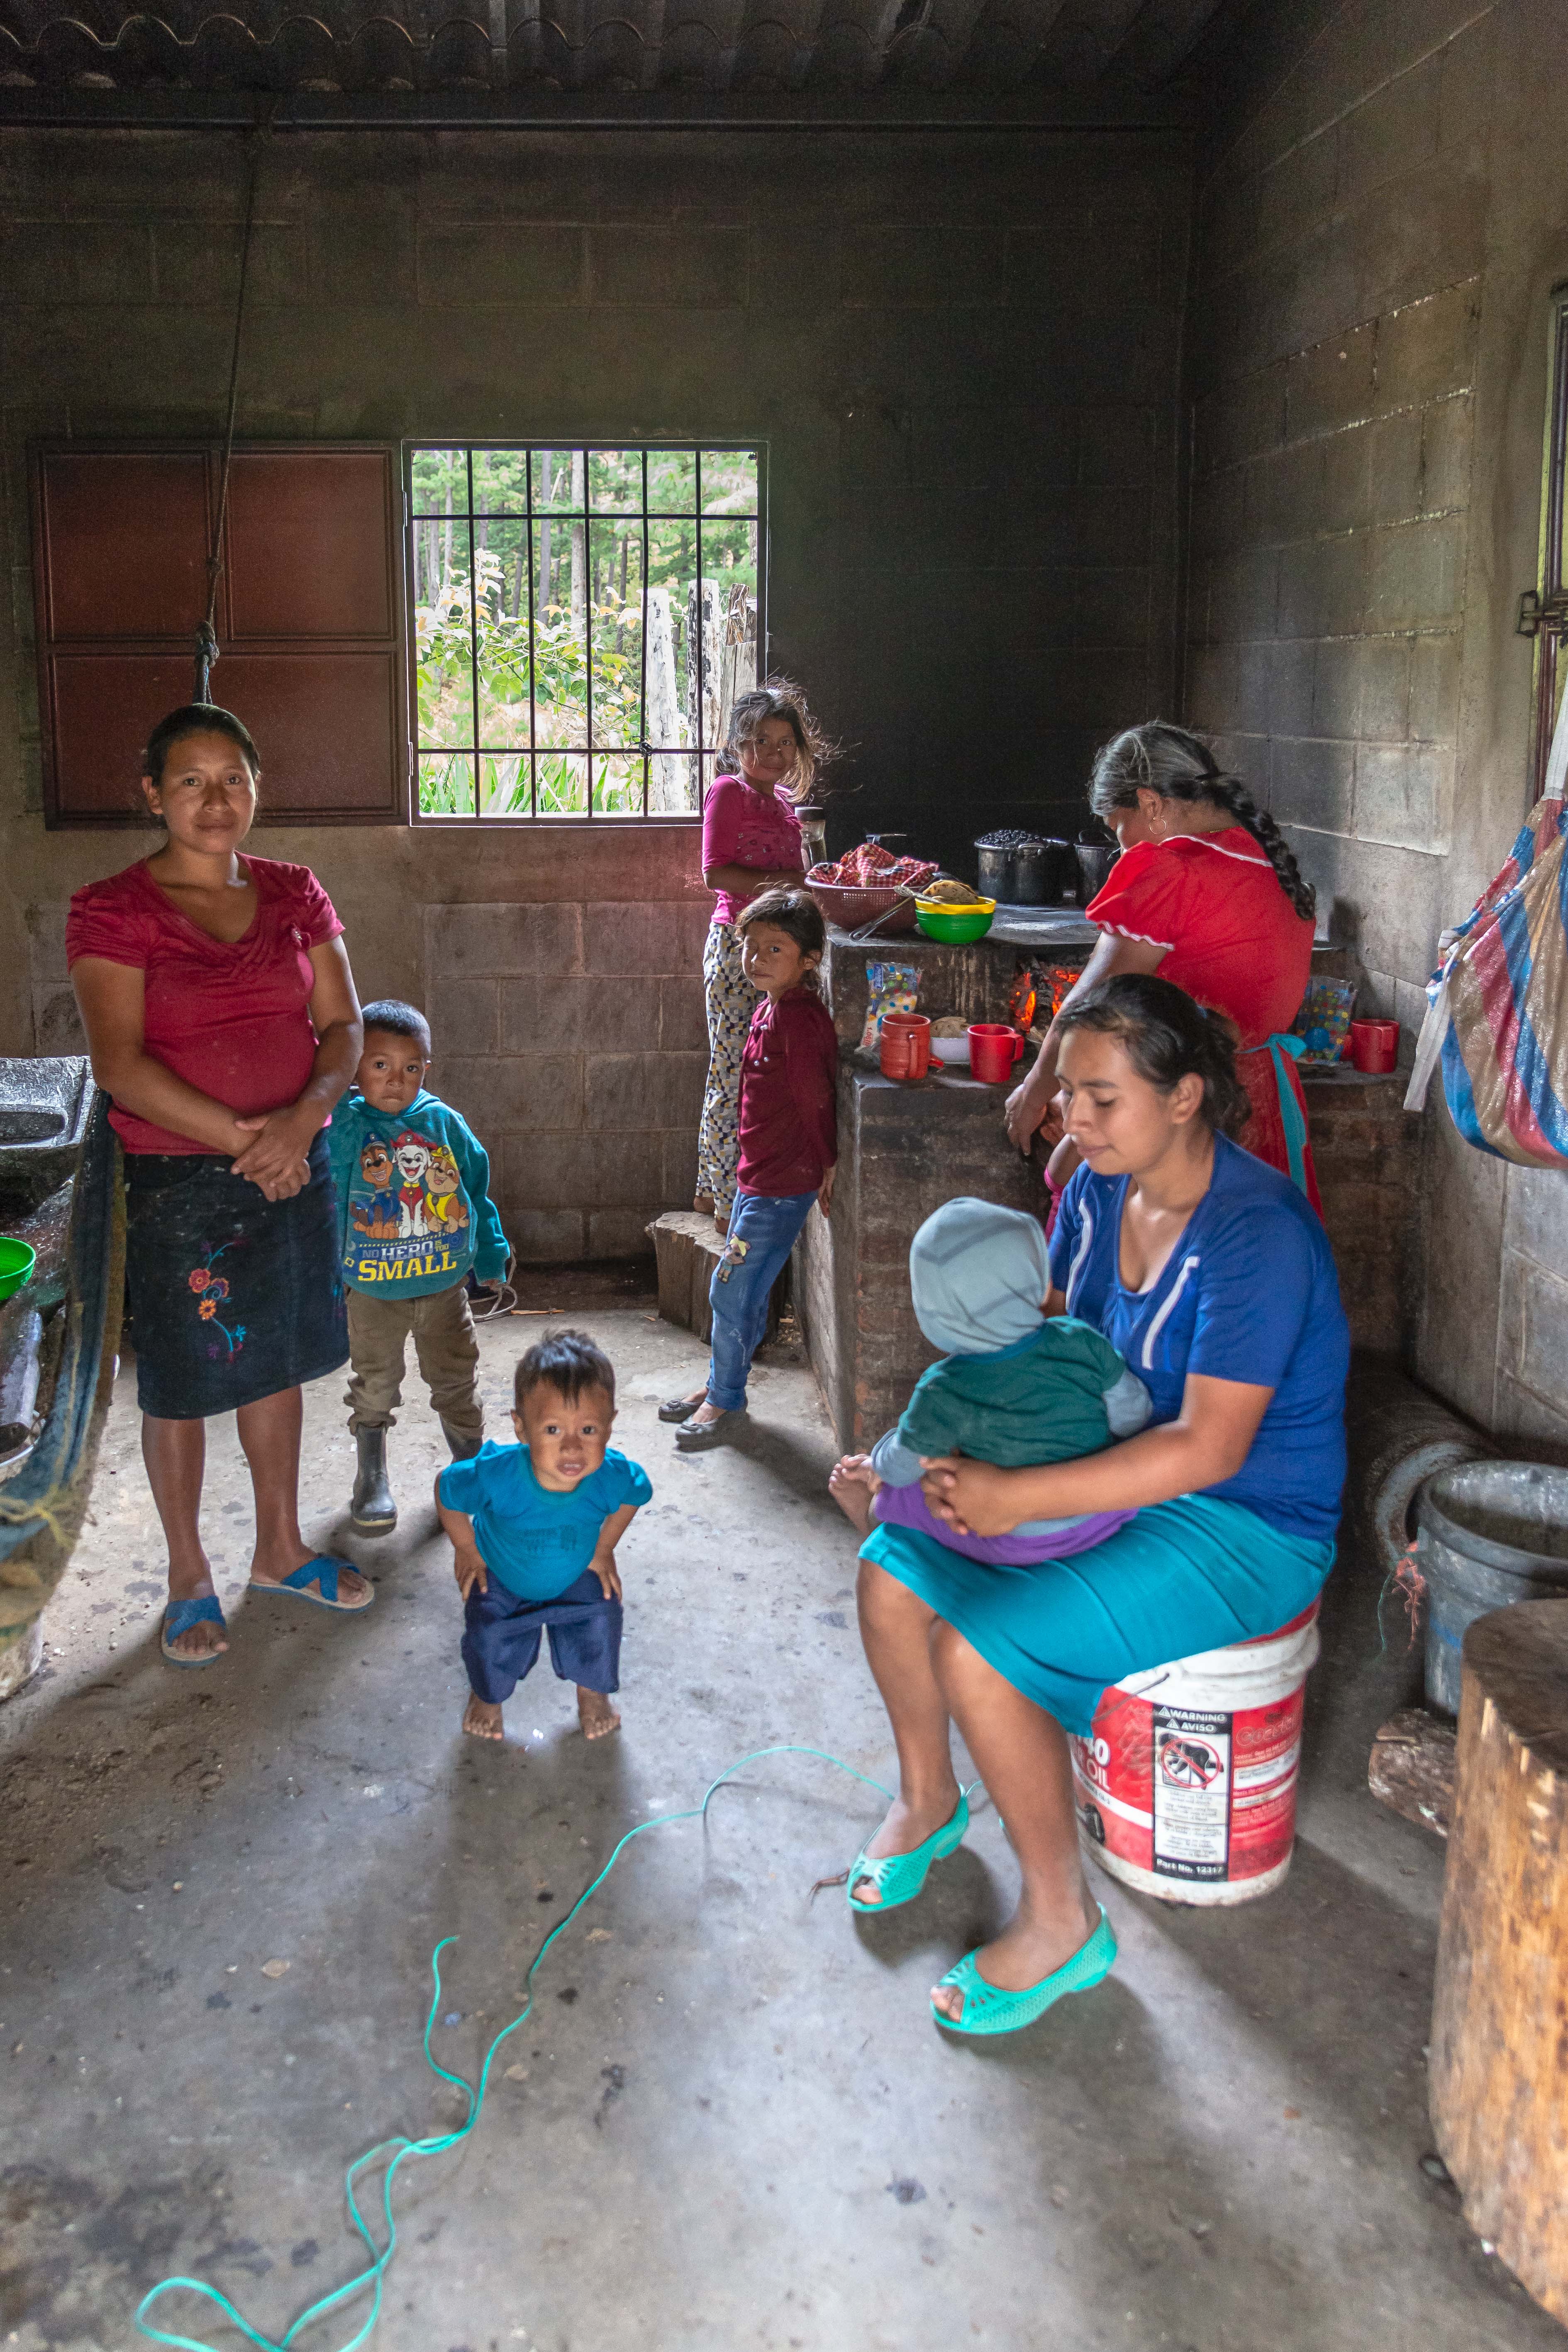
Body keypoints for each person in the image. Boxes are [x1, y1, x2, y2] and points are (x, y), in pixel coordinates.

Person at [846, 975, 1349, 2037]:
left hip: (1241, 1522)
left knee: (976, 1652)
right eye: (1065, 1091)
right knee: (891, 1569)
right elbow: (1059, 1356)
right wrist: (937, 1465)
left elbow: (1209, 1446)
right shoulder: (1091, 1190)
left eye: (1098, 1097)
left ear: (1183, 1097)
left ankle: (1063, 1919)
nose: (1068, 1118)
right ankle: (928, 1797)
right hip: (1113, 1473)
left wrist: (1013, 1494)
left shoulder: (1254, 1233)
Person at [66, 704, 372, 1667]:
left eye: (233, 778)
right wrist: (249, 1136)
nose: (215, 799)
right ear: (153, 793)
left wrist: (301, 1121)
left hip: (294, 1163)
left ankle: (279, 1548)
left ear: (256, 787)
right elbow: (120, 1062)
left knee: (274, 1358)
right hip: (181, 1177)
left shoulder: (294, 891)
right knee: (184, 1376)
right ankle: (189, 1572)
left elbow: (344, 1027)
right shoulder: (113, 907)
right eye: (191, 781)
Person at [1006, 721, 1322, 1214]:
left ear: (1151, 804)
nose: (1121, 846)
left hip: (1179, 1117)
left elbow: (1088, 1009)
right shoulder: (1268, 864)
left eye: (1117, 828)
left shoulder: (1169, 871)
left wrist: (1034, 1091)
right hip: (1261, 1104)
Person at [827, 1197, 1151, 1613]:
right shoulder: (1079, 1340)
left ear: (934, 1310)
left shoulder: (942, 1390)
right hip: (1102, 1515)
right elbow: (1134, 1415)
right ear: (1036, 1275)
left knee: (894, 1495)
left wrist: (879, 1460)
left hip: (1008, 1539)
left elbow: (901, 1464)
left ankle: (868, 1514)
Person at [327, 999, 511, 1537]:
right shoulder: (343, 1125)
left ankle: (471, 1468)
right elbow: (327, 1193)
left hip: (443, 1288)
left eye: (411, 1068)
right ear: (356, 1065)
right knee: (375, 1383)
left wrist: (490, 1255)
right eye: (379, 1065)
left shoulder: (443, 1123)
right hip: (371, 1292)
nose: (395, 1080)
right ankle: (372, 1474)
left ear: (427, 1068)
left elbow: (475, 1191)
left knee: (455, 1378)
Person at [663, 889, 838, 1450]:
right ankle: (720, 1383)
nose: (757, 959)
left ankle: (726, 1399)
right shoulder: (770, 1006)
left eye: (775, 949)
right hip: (755, 1176)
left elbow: (814, 1098)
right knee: (735, 1287)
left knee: (732, 1289)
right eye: (751, 946)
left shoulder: (799, 1018)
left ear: (808, 959)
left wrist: (827, 1161)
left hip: (781, 1186)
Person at [437, 1330, 650, 1744]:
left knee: (603, 1615)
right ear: (521, 1428)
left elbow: (635, 1492)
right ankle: (488, 1697)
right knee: (488, 1633)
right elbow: (448, 1489)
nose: (572, 1447)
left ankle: (592, 1693)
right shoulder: (497, 1474)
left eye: (588, 1429)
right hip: (501, 1572)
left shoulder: (610, 1475)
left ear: (610, 1426)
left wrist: (603, 1548)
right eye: (552, 1429)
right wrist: (466, 1549)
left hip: (576, 1569)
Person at [695, 682, 832, 1231]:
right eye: (759, 741)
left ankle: (722, 1189)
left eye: (783, 743)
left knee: (750, 1075)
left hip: (775, 951)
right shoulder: (728, 792)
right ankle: (724, 1196)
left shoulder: (785, 807)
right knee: (733, 1072)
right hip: (739, 948)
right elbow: (715, 874)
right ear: (736, 746)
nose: (772, 754)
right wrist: (794, 882)